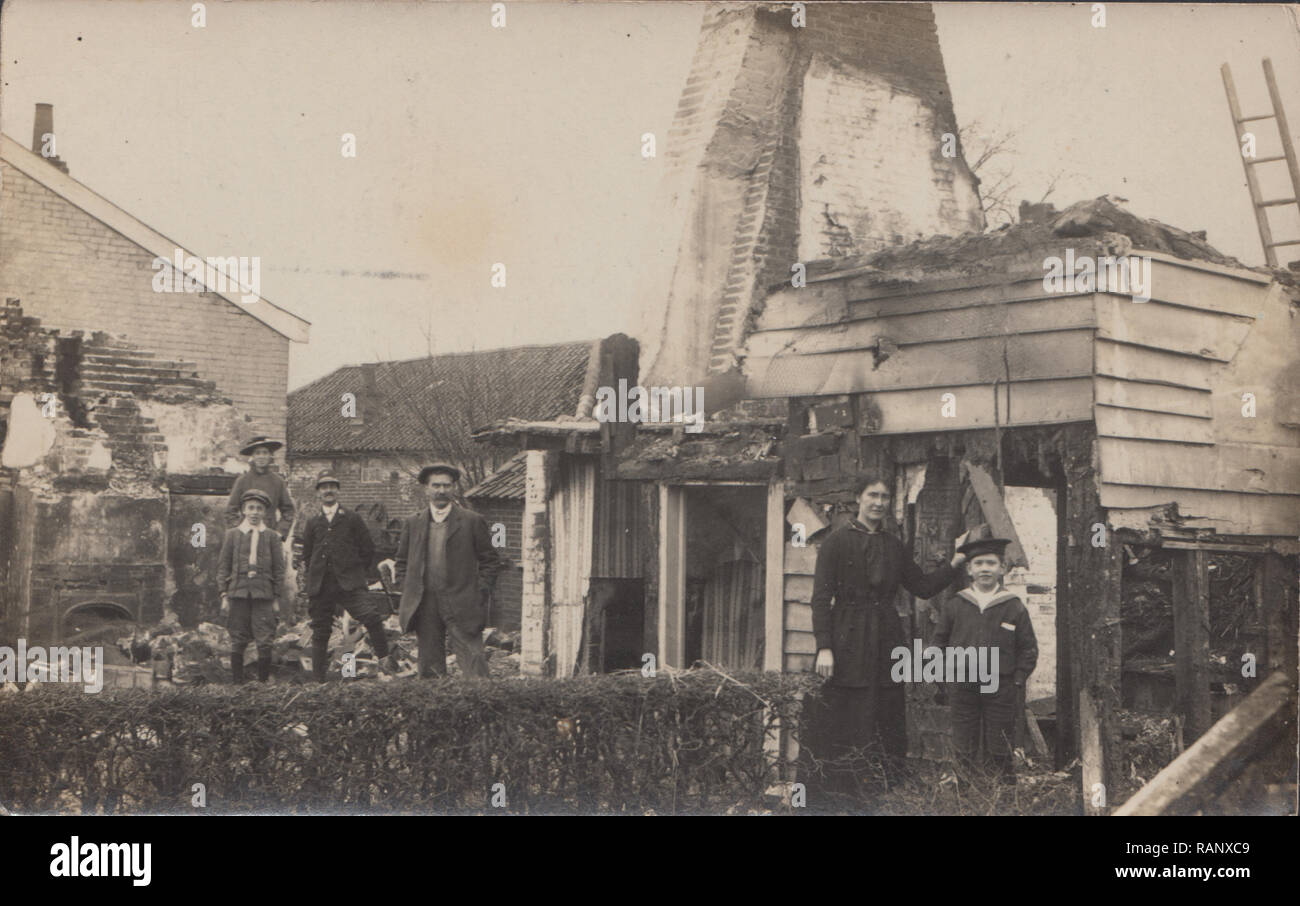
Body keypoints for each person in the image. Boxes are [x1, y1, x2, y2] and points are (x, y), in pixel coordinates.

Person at [806, 474, 966, 799]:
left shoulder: (894, 546)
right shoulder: (836, 542)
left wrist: (956, 561)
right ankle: (838, 794)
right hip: (846, 638)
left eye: (884, 496)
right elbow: (821, 599)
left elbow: (922, 587)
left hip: (886, 638)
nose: (878, 502)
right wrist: (824, 647)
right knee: (848, 709)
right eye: (872, 495)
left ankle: (879, 791)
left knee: (884, 708)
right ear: (858, 499)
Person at [933, 525, 1038, 783]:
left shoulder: (1013, 606)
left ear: (1002, 568)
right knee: (963, 742)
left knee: (999, 743)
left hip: (1000, 685)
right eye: (978, 563)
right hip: (963, 683)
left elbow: (1028, 648)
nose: (985, 568)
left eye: (991, 563)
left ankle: (1000, 796)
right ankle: (965, 796)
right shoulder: (956, 605)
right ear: (969, 569)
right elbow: (939, 643)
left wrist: (1017, 679)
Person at [379, 463, 503, 678]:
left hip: (462, 601)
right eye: (436, 485)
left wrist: (479, 591)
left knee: (474, 665)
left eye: (446, 485)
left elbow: (490, 561)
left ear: (454, 488)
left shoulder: (472, 521)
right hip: (426, 603)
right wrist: (406, 587)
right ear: (426, 489)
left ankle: (480, 705)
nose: (441, 491)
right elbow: (402, 561)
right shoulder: (413, 522)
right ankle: (435, 707)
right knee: (429, 668)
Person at [297, 470, 395, 681]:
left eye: (332, 486)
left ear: (338, 490)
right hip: (322, 585)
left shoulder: (352, 518)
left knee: (371, 617)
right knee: (320, 631)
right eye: (324, 487)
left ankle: (386, 663)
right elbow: (307, 553)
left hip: (349, 583)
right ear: (318, 493)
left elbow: (367, 549)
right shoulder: (313, 522)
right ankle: (318, 681)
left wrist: (354, 571)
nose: (328, 490)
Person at [217, 489, 285, 683]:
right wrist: (224, 595)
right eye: (251, 508)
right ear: (243, 510)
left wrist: (276, 598)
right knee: (238, 639)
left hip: (264, 596)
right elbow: (223, 567)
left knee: (265, 640)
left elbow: (279, 569)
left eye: (259, 509)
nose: (255, 512)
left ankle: (262, 685)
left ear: (265, 512)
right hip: (237, 594)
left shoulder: (272, 537)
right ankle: (237, 685)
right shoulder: (232, 535)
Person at [225, 436, 295, 534]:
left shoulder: (278, 481)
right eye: (257, 453)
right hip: (246, 535)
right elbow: (230, 511)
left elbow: (288, 511)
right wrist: (239, 531)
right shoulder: (242, 481)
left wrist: (279, 533)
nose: (261, 456)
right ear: (252, 456)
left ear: (270, 456)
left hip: (269, 534)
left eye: (265, 453)